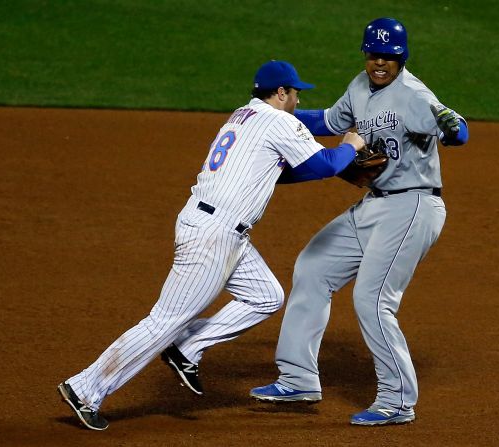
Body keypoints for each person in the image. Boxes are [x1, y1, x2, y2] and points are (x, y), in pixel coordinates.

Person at [57, 60, 366, 431]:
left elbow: (300, 138)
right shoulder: (280, 122)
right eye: (295, 92)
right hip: (212, 236)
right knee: (165, 321)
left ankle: (187, 346)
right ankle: (86, 388)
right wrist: (351, 143)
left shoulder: (244, 115)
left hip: (219, 228)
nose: (299, 99)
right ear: (281, 93)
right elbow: (326, 165)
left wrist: (338, 122)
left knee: (266, 296)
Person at [249, 18, 469, 426]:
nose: (379, 63)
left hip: (413, 206)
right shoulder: (359, 86)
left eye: (388, 56)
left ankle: (398, 400)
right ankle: (297, 378)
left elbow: (455, 130)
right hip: (374, 205)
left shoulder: (415, 96)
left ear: (401, 58)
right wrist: (273, 113)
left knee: (372, 298)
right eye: (373, 55)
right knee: (312, 267)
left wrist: (456, 131)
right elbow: (330, 122)